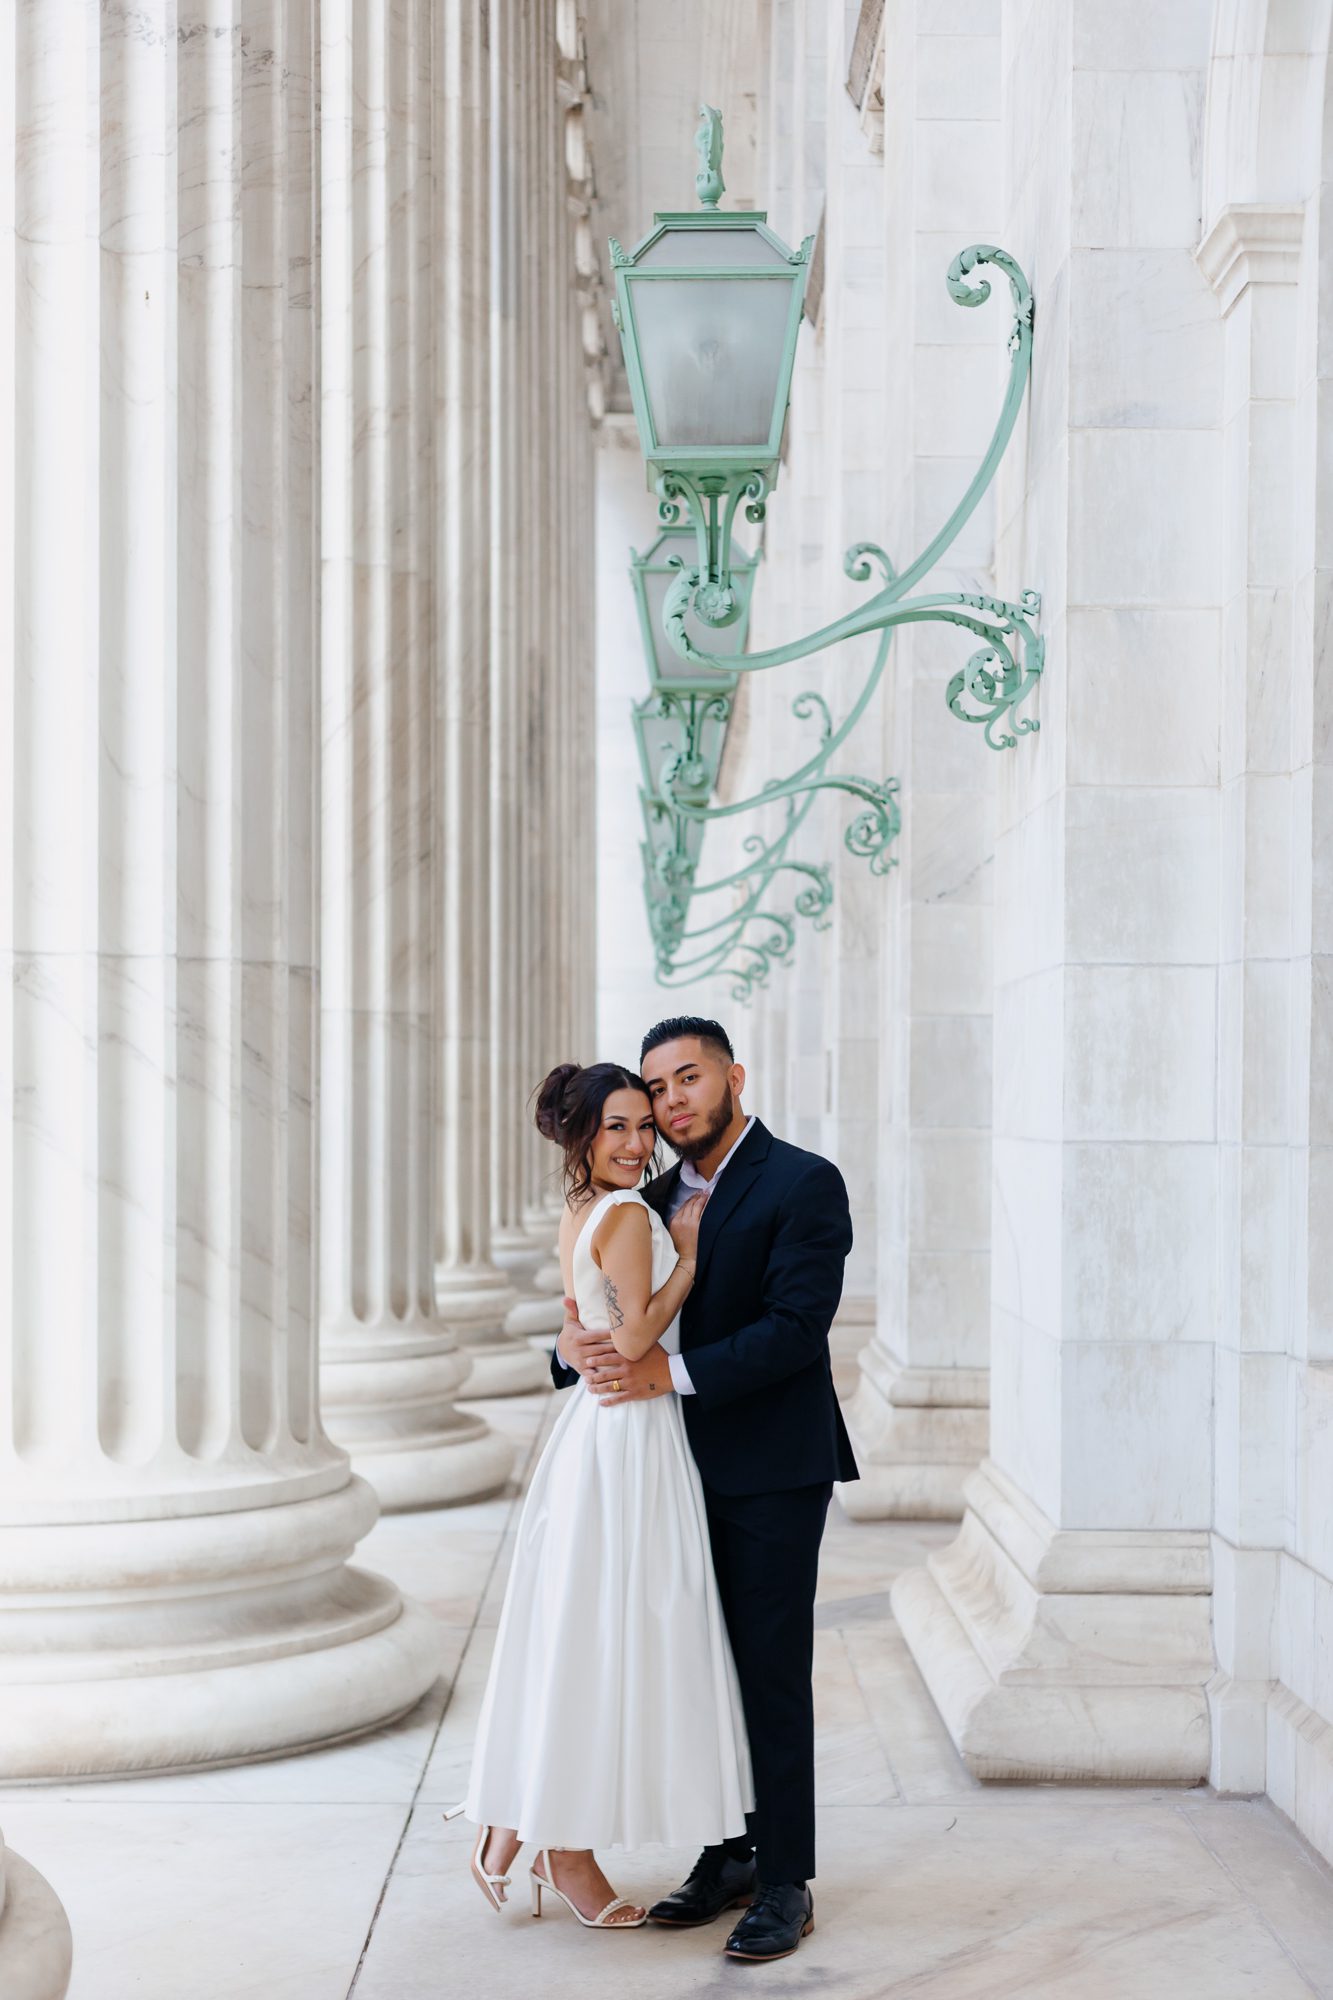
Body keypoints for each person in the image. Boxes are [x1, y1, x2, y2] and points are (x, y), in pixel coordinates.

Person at [555, 1017, 856, 1965]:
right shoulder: (638, 1194)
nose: (671, 1102)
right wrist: (565, 1353)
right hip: (665, 1475)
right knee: (696, 1668)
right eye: (656, 1089)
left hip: (769, 1466)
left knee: (767, 1671)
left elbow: (795, 1329)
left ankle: (784, 1881)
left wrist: (667, 1377)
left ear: (732, 1076)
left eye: (688, 1079)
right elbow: (605, 1308)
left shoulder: (804, 1182)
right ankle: (726, 1851)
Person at [449, 1060, 753, 1933]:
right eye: (615, 1127)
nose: (635, 1142)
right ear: (581, 1136)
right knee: (614, 1623)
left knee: (585, 1623)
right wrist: (687, 1262)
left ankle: (529, 1823)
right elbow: (628, 1334)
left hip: (599, 1426)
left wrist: (582, 1332)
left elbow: (579, 1322)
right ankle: (550, 1837)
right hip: (627, 1431)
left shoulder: (582, 1208)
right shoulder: (625, 1213)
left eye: (640, 1125)